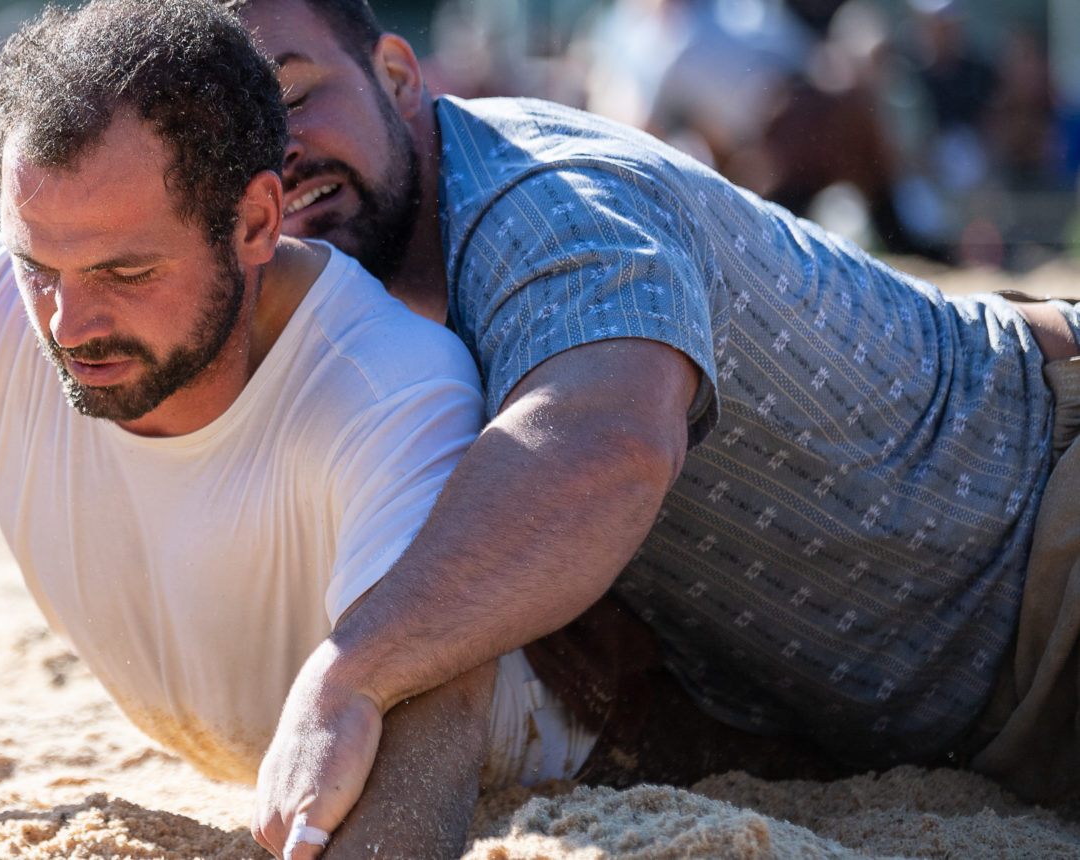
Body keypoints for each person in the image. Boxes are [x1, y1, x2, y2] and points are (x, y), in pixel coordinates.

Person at [0, 0, 605, 851]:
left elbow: (431, 687)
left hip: (557, 756)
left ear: (257, 224)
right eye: (40, 264)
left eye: (127, 272)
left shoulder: (386, 381)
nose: (67, 325)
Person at [222, 0, 1080, 856]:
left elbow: (608, 445)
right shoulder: (379, 310)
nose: (274, 155)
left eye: (291, 98)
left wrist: (351, 674)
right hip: (986, 687)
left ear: (399, 78)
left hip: (1052, 513)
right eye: (230, 141)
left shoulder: (540, 197)